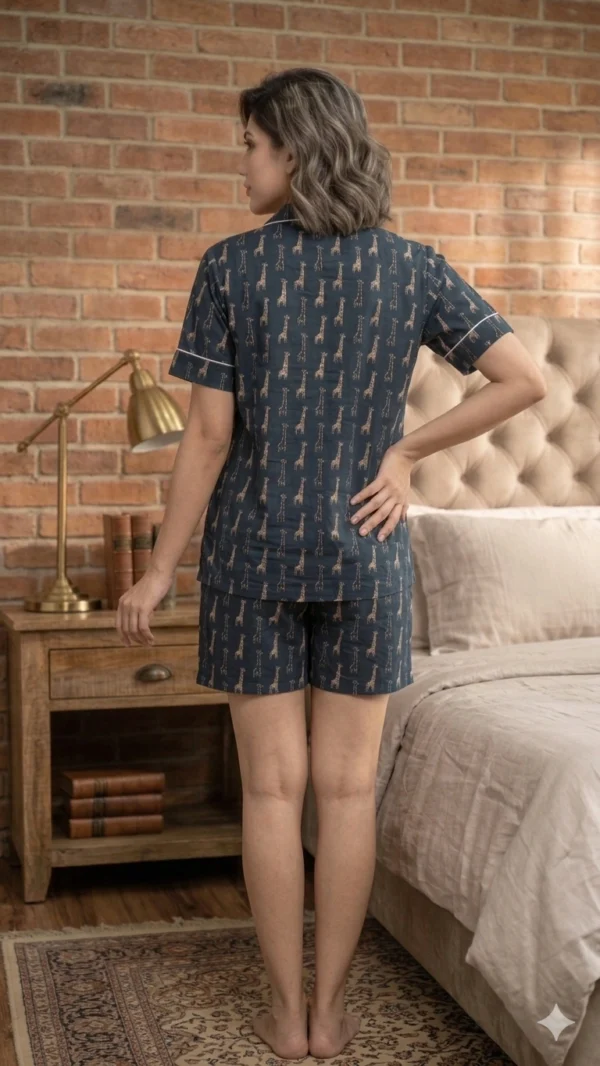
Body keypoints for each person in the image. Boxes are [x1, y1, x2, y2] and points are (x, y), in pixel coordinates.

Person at [116, 67, 547, 1060]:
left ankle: (283, 1011)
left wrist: (160, 567)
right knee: (348, 793)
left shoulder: (230, 268)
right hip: (368, 553)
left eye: (252, 145)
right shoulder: (412, 268)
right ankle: (333, 1009)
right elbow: (522, 378)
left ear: (295, 150)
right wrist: (406, 454)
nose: (242, 163)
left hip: (251, 556)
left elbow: (208, 438)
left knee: (272, 791)